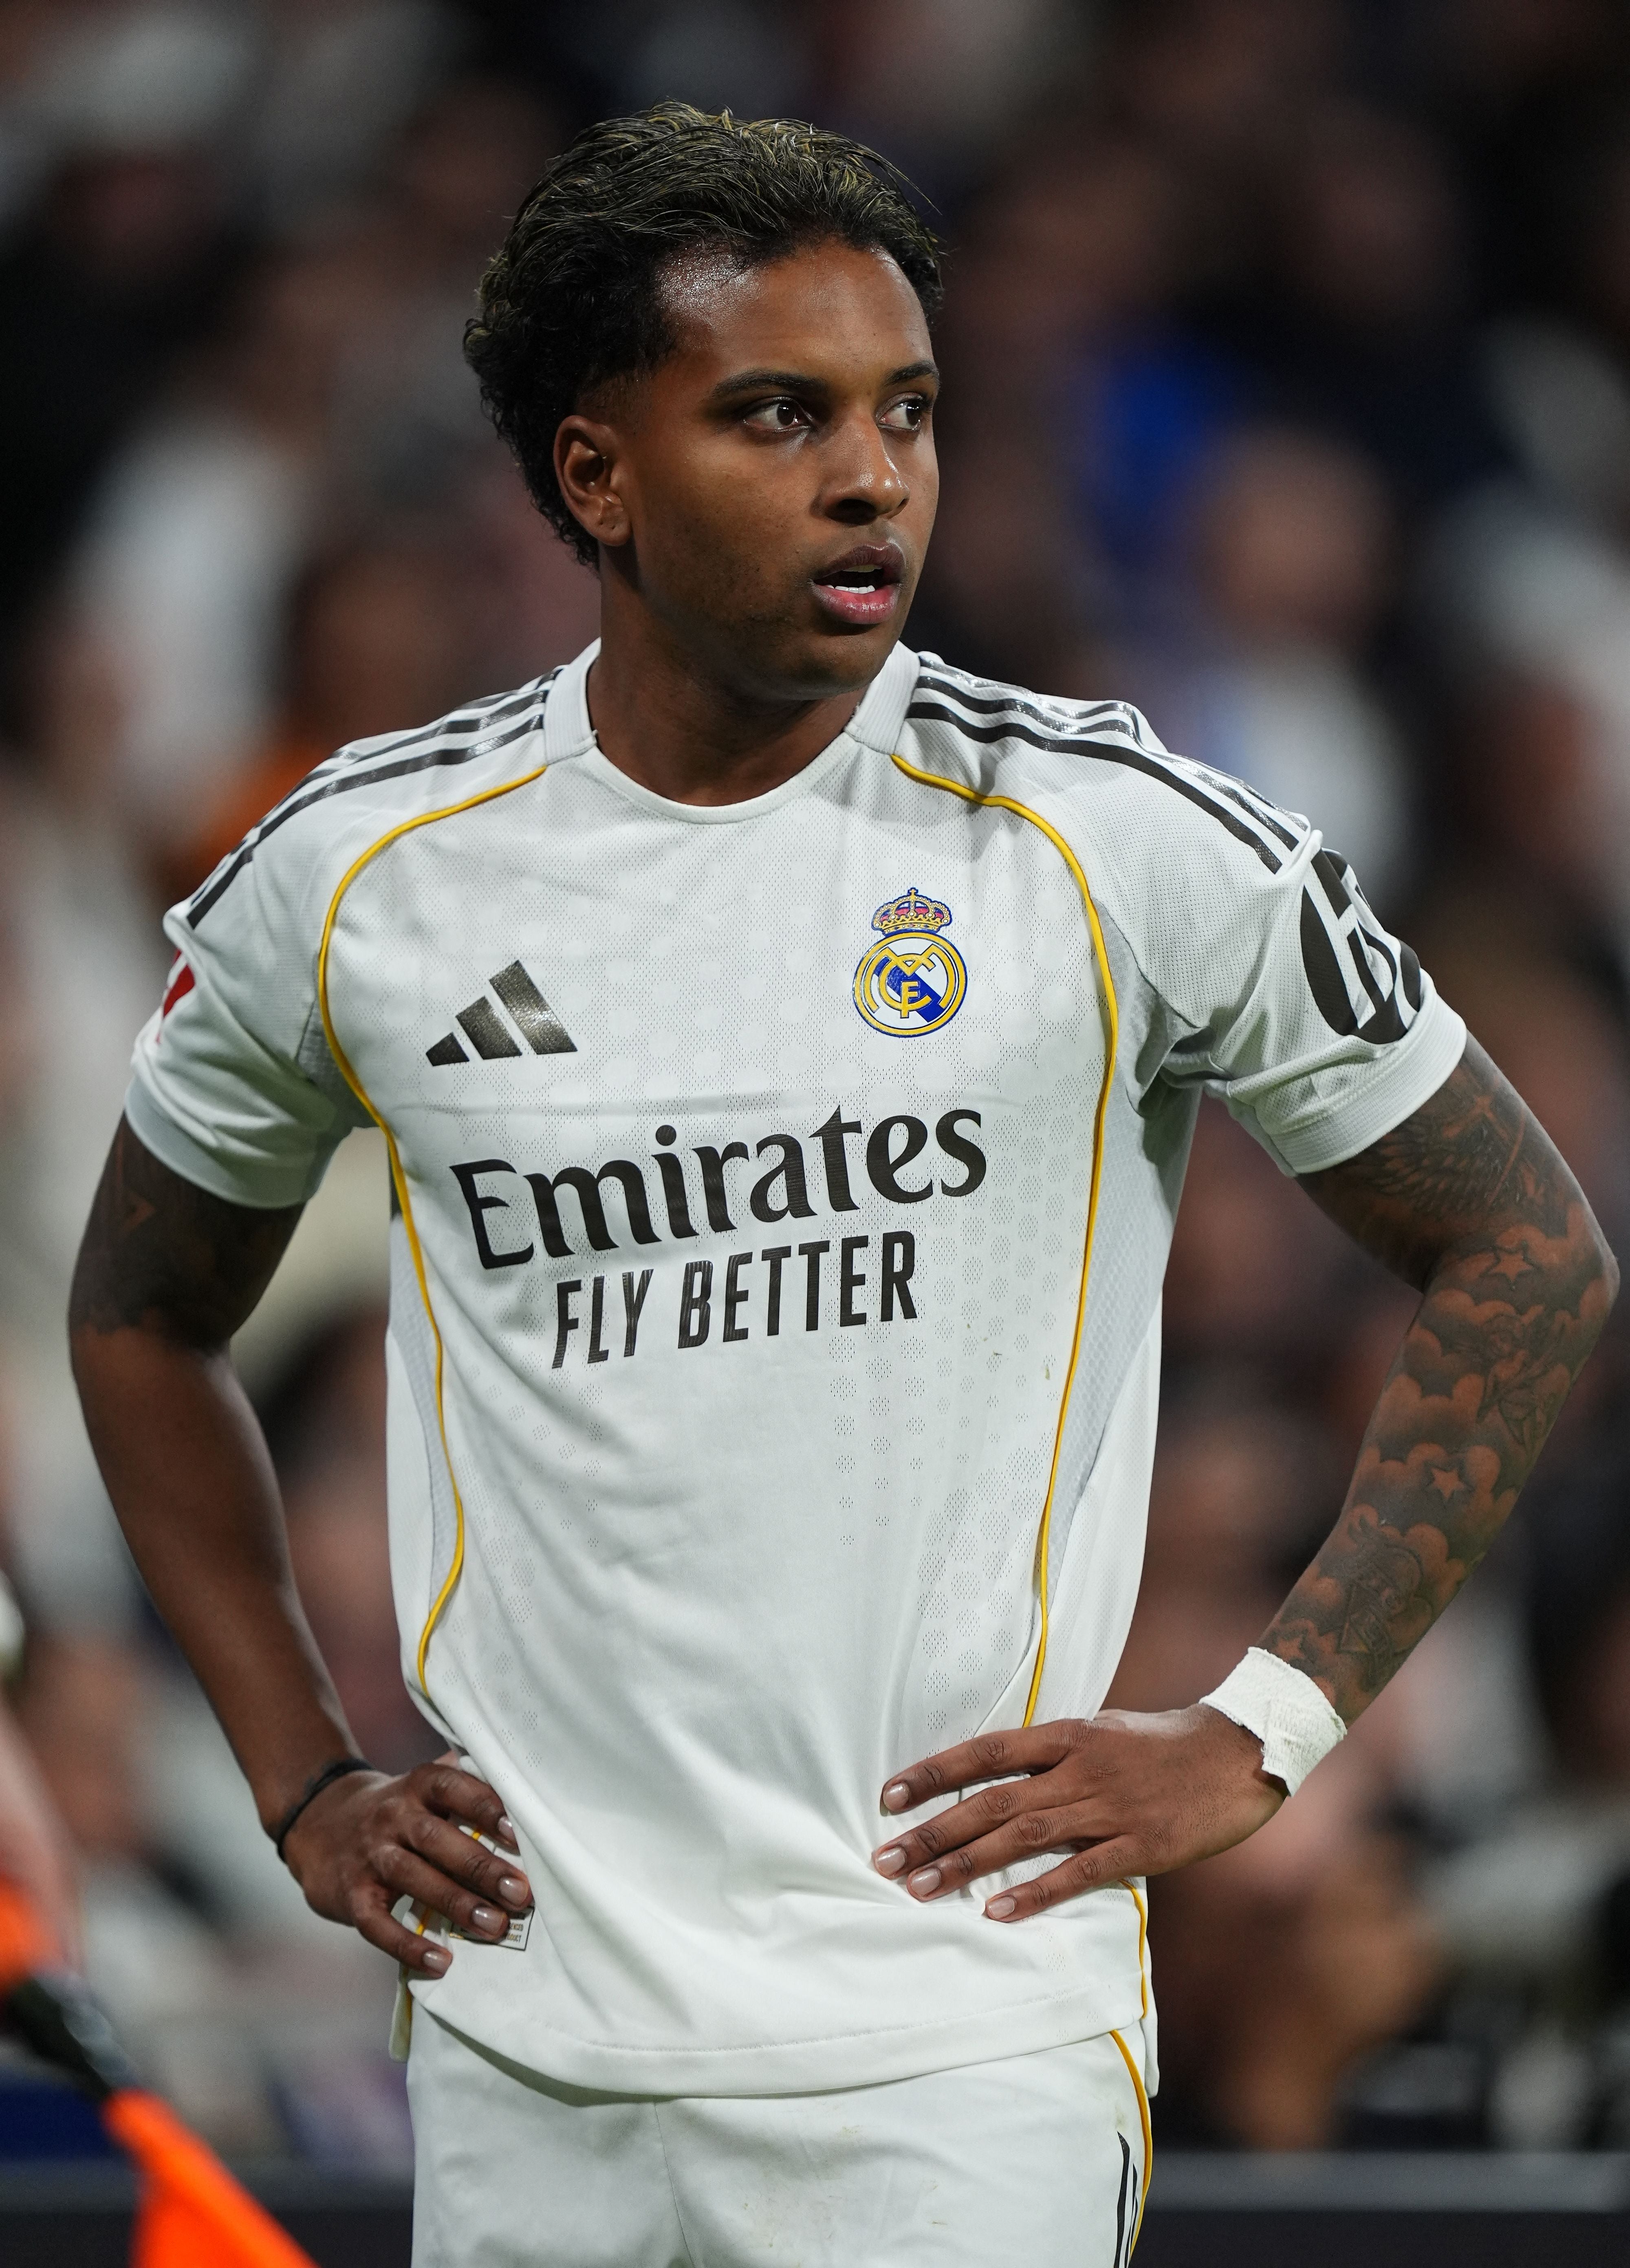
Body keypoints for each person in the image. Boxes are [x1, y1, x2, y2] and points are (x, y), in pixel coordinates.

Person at [67, 104, 1617, 2266]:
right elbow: (139, 1314)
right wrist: (305, 1778)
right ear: (596, 473)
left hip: (958, 2053)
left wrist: (1262, 1730)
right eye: (778, 415)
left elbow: (1530, 1248)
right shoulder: (360, 879)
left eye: (909, 410)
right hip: (528, 2053)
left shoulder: (1119, 840)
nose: (875, 474)